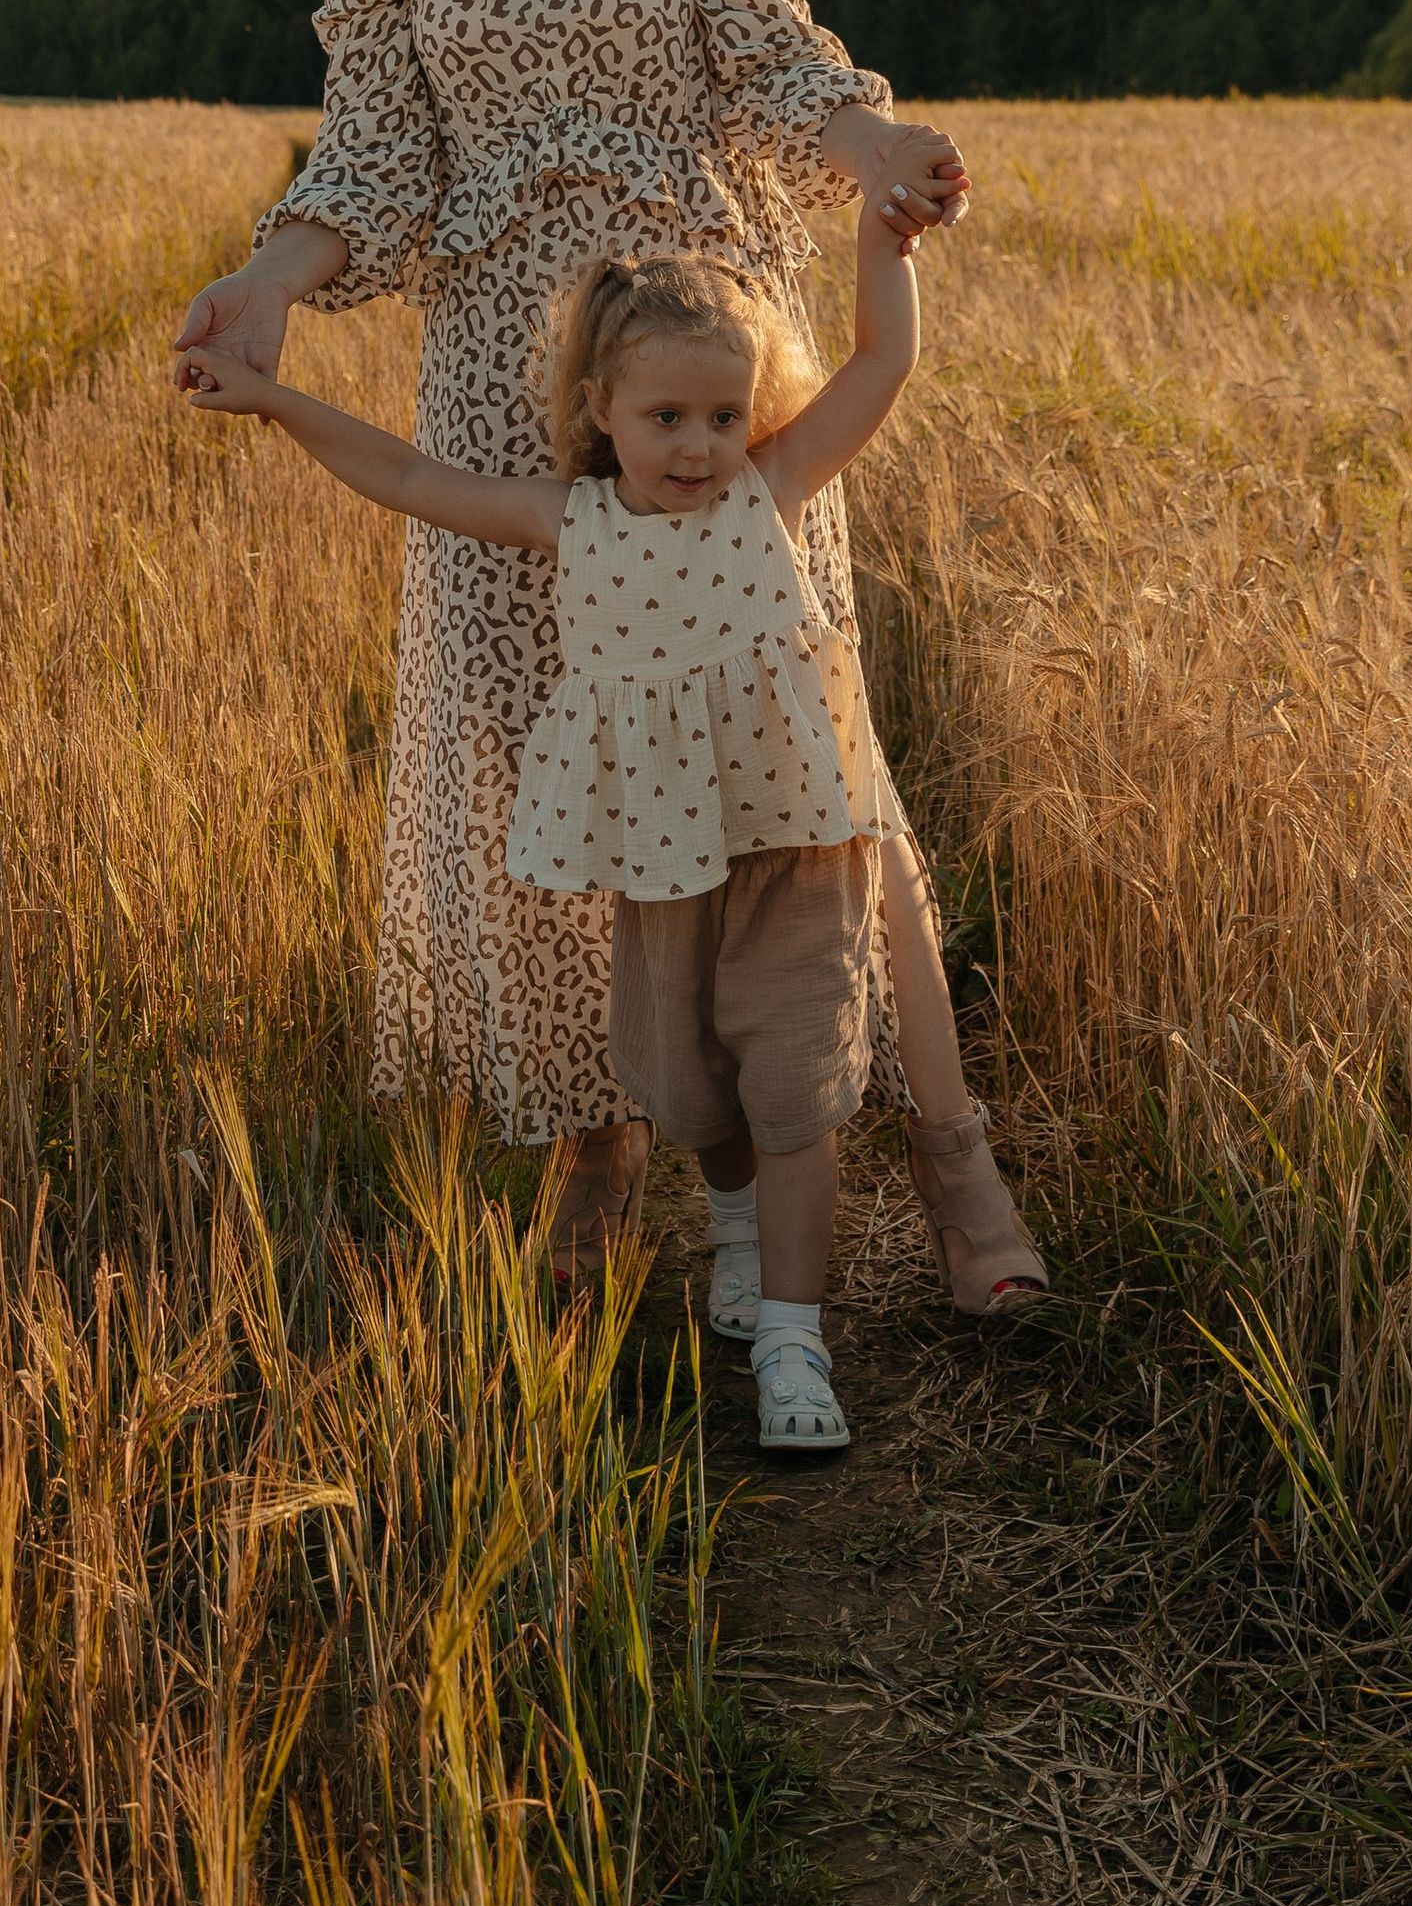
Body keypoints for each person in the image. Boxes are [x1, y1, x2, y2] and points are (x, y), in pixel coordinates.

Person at [169, 0, 1044, 1315]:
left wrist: (872, 149)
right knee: (544, 781)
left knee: (813, 775)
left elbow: (779, 67)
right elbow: (379, 161)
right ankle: (603, 1142)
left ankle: (954, 1162)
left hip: (697, 367)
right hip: (507, 381)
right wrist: (272, 277)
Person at [182, 201, 933, 1453]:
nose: (697, 447)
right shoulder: (568, 522)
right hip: (665, 848)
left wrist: (882, 245)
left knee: (795, 1079)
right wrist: (277, 405)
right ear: (598, 409)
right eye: (665, 418)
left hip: (799, 836)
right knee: (687, 1080)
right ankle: (735, 1225)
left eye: (721, 417)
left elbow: (880, 363)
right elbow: (410, 479)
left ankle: (796, 1341)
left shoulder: (771, 490)